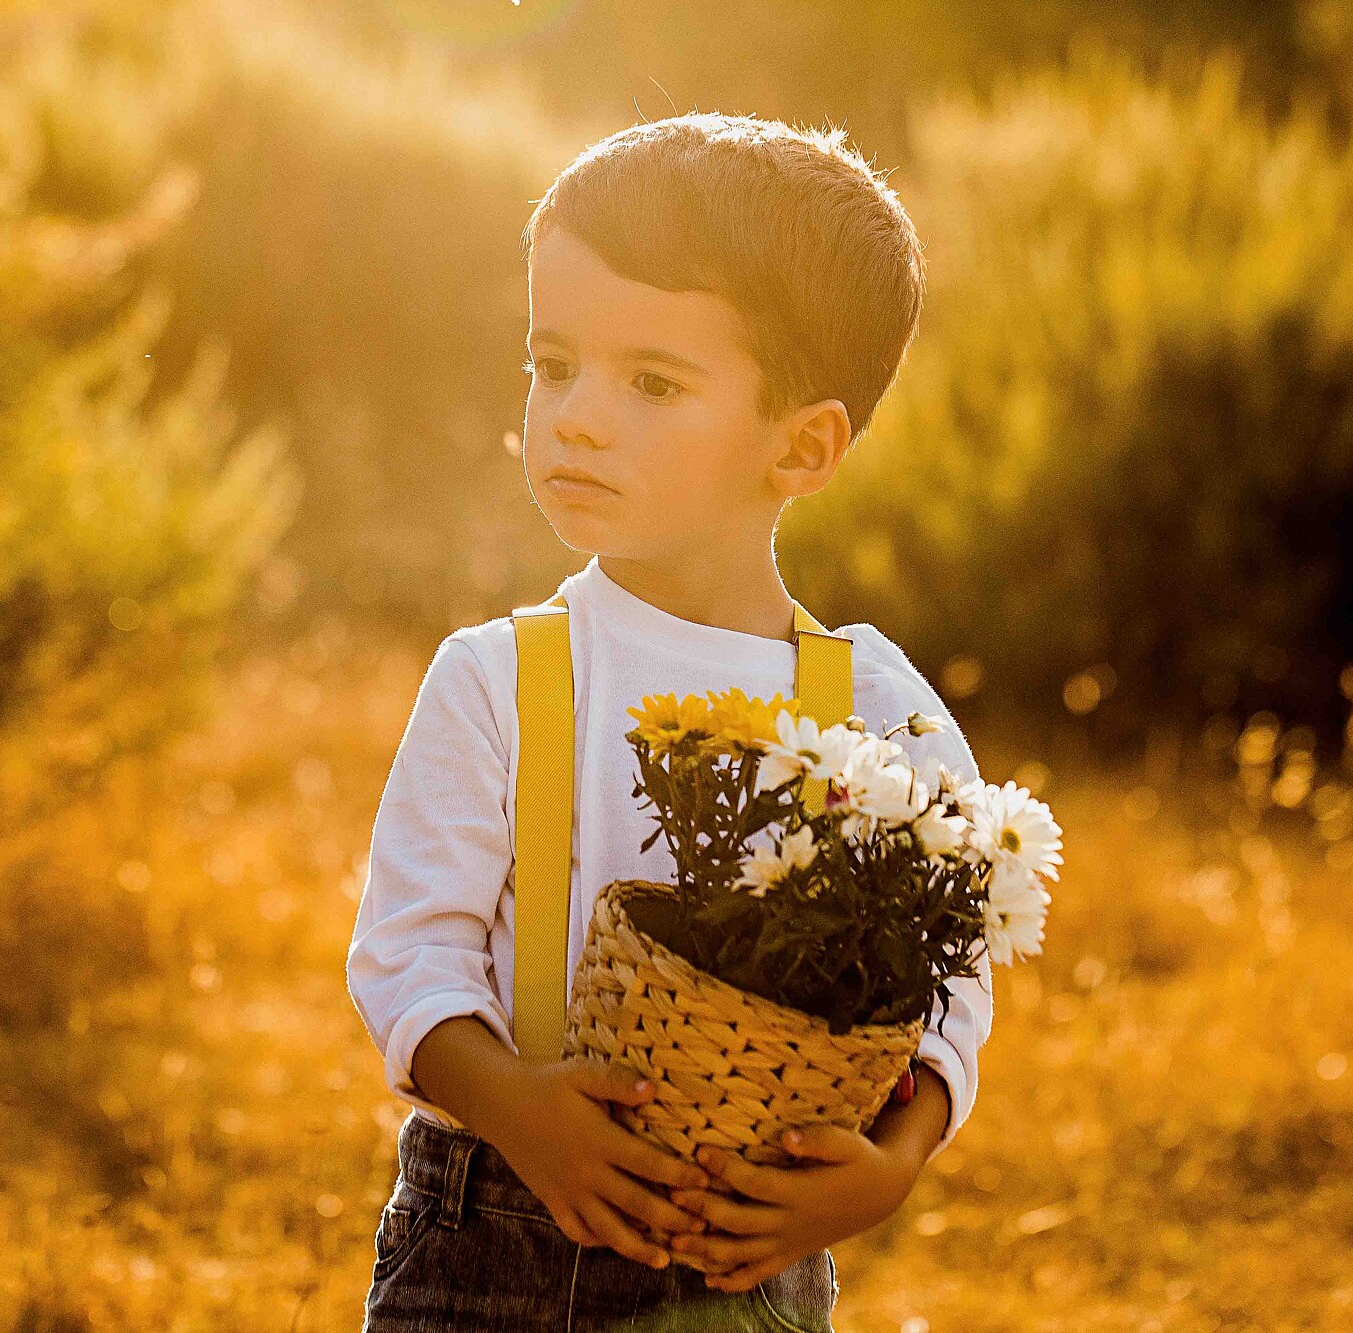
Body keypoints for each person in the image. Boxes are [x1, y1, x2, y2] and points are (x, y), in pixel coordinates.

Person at [348, 110, 993, 1332]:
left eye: (650, 382)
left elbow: (948, 986)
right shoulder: (498, 679)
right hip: (491, 1242)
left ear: (800, 448)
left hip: (747, 1264)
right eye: (551, 365)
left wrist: (893, 1161)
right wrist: (518, 1107)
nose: (576, 416)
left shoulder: (871, 712)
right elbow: (404, 958)